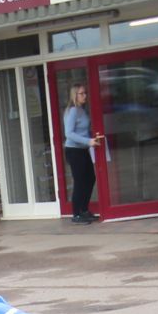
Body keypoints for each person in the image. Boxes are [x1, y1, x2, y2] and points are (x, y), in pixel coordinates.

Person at [61, 83, 102, 224]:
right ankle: (76, 214)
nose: (85, 96)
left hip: (83, 149)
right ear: (75, 95)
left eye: (85, 93)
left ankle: (84, 210)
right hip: (74, 151)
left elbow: (84, 129)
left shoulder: (81, 110)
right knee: (79, 182)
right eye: (81, 93)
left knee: (90, 179)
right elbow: (69, 133)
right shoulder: (72, 111)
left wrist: (92, 139)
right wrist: (88, 141)